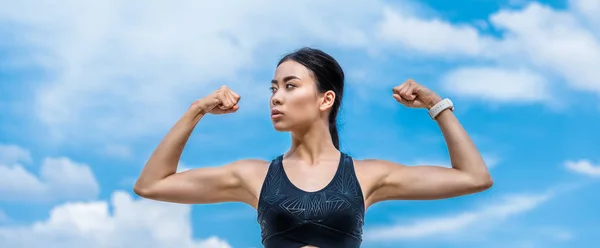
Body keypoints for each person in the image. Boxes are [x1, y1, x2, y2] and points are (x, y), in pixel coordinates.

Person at [134, 47, 493, 247]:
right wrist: (196, 109)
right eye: (273, 88)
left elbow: (474, 177)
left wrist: (436, 105)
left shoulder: (367, 176)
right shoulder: (254, 176)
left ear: (325, 99)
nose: (276, 97)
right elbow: (151, 185)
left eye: (290, 86)